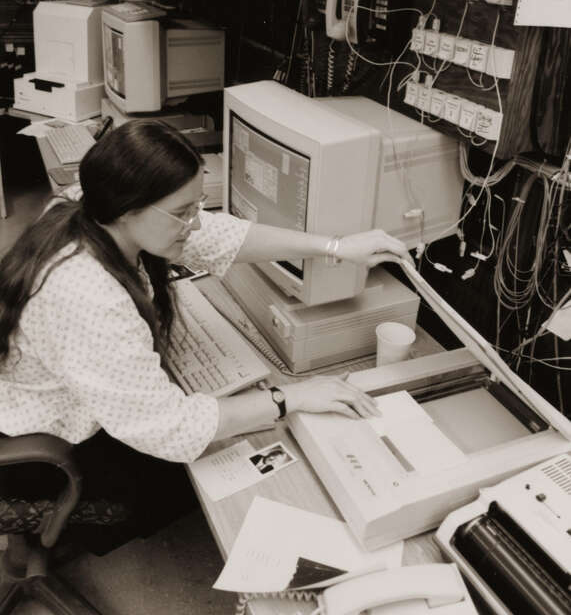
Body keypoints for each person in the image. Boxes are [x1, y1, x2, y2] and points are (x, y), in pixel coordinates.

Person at [0, 119, 409, 552]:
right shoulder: (88, 294)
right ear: (127, 207)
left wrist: (336, 248)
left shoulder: (88, 204)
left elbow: (219, 235)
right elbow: (166, 427)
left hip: (37, 403)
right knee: (203, 476)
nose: (195, 224)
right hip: (40, 450)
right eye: (183, 213)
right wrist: (287, 399)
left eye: (196, 206)